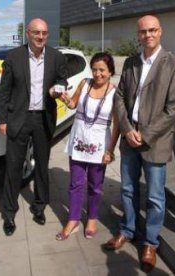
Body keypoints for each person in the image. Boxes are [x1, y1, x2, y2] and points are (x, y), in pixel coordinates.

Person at [105, 15, 175, 272]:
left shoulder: (174, 64)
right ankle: (127, 230)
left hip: (155, 140)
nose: (147, 35)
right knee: (128, 190)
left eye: (152, 30)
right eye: (143, 31)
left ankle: (150, 242)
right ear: (138, 35)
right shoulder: (130, 62)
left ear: (160, 32)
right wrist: (128, 129)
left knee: (155, 196)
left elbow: (174, 107)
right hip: (130, 139)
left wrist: (146, 133)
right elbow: (118, 96)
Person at [0, 18, 68, 236]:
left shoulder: (56, 57)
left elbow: (61, 81)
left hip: (43, 118)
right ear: (28, 33)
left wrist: (58, 90)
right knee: (13, 167)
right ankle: (9, 213)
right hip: (18, 118)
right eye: (36, 32)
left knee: (42, 166)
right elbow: (5, 92)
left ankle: (39, 206)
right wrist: (2, 120)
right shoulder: (14, 57)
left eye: (44, 33)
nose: (41, 37)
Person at [55, 52, 120, 241]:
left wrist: (110, 150)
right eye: (94, 69)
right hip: (78, 140)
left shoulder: (115, 92)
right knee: (75, 184)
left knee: (95, 185)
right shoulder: (85, 83)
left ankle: (92, 218)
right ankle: (73, 219)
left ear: (110, 72)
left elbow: (116, 125)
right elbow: (73, 104)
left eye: (102, 70)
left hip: (100, 145)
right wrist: (64, 98)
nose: (97, 74)